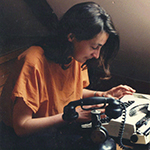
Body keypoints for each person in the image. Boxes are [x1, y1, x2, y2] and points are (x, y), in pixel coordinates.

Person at [0, 2, 135, 150]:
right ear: (71, 36)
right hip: (29, 141)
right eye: (94, 47)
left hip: (58, 131)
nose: (96, 55)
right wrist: (69, 116)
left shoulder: (74, 57)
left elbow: (69, 91)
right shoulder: (33, 62)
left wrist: (103, 94)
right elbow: (22, 126)